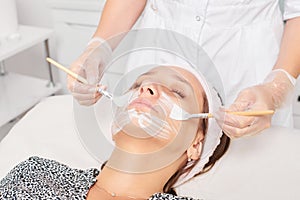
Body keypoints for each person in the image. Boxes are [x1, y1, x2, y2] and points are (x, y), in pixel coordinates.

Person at [67, 0, 300, 139]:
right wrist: (98, 47)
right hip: (158, 50)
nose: (146, 91)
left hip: (246, 69)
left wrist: (276, 88)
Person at [0, 65, 230, 199]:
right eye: (139, 84)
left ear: (196, 144)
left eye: (178, 92)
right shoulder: (37, 175)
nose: (145, 88)